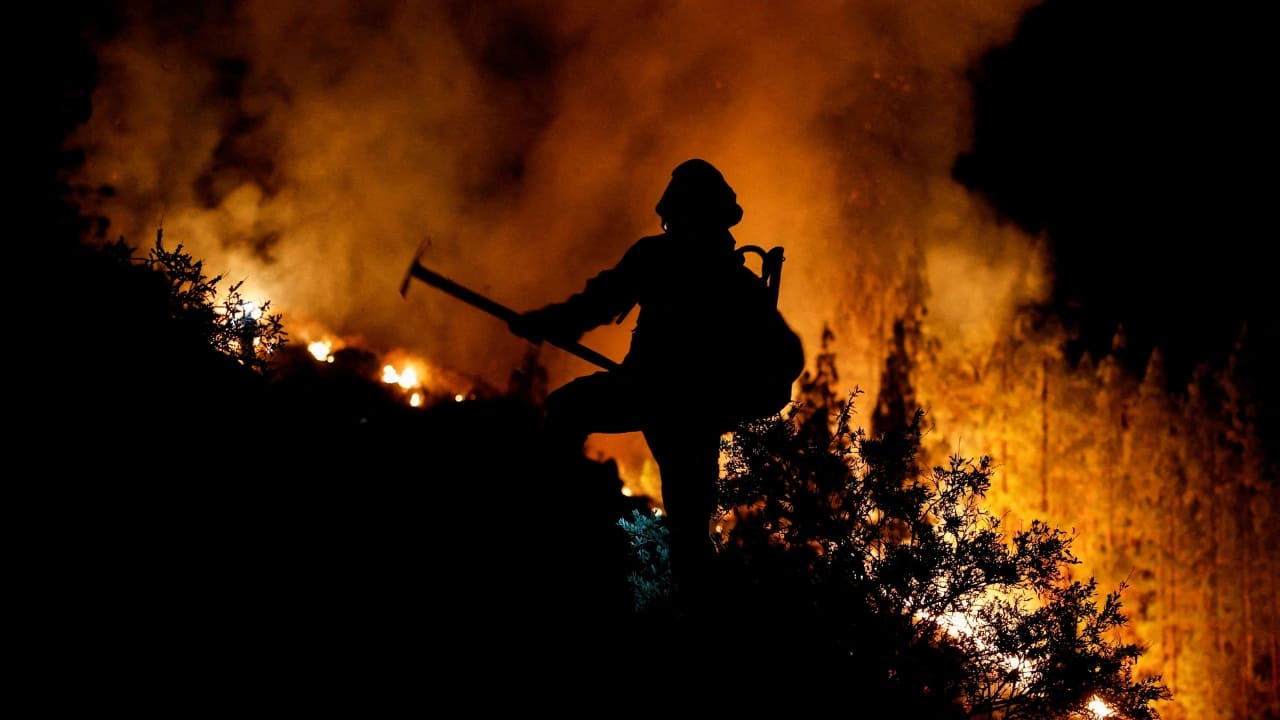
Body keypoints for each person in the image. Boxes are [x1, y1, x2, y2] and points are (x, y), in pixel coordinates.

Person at [509, 158, 804, 615]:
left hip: (669, 404)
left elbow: (783, 360)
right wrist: (550, 322)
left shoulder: (682, 264)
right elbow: (597, 303)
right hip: (673, 404)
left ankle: (557, 531)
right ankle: (568, 533)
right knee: (688, 532)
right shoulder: (721, 276)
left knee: (569, 412)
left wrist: (728, 405)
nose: (676, 224)